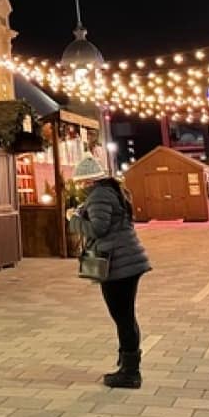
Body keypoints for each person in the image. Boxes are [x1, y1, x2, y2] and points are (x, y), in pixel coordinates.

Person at [67, 165, 152, 389]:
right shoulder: (113, 192)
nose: (80, 186)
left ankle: (130, 372)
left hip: (118, 265)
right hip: (128, 261)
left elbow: (98, 229)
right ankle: (128, 364)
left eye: (81, 182)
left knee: (122, 317)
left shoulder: (99, 196)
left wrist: (73, 220)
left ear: (88, 181)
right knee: (126, 316)